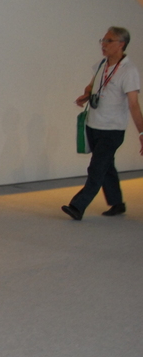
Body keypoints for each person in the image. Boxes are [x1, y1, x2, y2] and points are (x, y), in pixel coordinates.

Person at [62, 27, 143, 220]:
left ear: (121, 44)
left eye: (108, 41)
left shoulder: (129, 71)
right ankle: (117, 203)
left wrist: (142, 133)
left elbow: (133, 104)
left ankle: (78, 206)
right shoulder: (102, 65)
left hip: (112, 130)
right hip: (93, 125)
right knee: (106, 166)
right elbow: (92, 85)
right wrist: (86, 94)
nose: (103, 44)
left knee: (96, 168)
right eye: (103, 40)